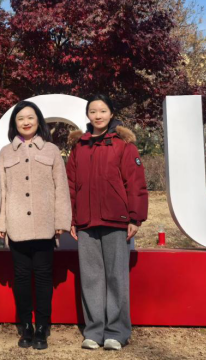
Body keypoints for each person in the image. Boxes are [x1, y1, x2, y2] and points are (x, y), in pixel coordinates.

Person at [66, 94, 148, 351]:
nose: (98, 115)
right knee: (90, 278)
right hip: (86, 223)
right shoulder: (79, 147)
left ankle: (117, 332)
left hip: (116, 221)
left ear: (111, 113)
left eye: (103, 111)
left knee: (116, 277)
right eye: (93, 111)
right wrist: (71, 218)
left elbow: (136, 183)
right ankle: (94, 331)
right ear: (87, 115)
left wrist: (135, 217)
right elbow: (70, 186)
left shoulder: (124, 146)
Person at [0, 101, 71, 350]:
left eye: (31, 117)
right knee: (22, 277)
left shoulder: (51, 150)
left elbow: (61, 187)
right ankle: (26, 325)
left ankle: (42, 327)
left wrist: (61, 220)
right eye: (21, 118)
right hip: (16, 225)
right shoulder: (5, 153)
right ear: (14, 123)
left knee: (44, 277)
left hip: (45, 224)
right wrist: (0, 222)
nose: (26, 122)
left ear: (38, 121)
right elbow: (1, 190)